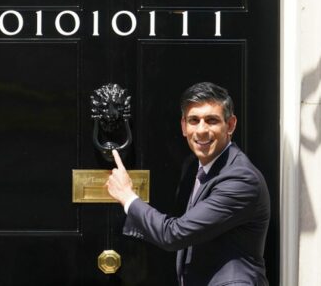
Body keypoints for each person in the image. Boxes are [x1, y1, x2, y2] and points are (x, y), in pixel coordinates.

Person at [106, 82, 270, 286]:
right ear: (184, 126)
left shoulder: (241, 180)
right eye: (194, 120)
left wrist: (127, 196)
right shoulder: (195, 166)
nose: (201, 130)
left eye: (211, 120)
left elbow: (173, 234)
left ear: (230, 125)